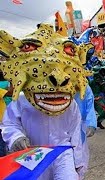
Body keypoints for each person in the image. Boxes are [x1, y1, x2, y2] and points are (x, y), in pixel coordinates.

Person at [0, 24, 92, 179]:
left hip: (62, 153)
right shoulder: (22, 99)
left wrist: (79, 161)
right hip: (33, 153)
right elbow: (9, 124)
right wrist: (16, 137)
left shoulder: (70, 103)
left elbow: (75, 133)